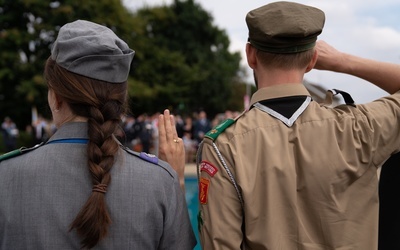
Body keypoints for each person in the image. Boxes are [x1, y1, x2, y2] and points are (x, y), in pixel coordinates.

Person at [196, 1, 400, 249]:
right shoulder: (361, 128)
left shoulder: (224, 146)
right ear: (313, 60)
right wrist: (342, 61)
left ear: (250, 55)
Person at [0, 20, 196, 249]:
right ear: (120, 101)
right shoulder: (160, 182)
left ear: (56, 96)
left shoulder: (5, 176)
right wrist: (175, 181)